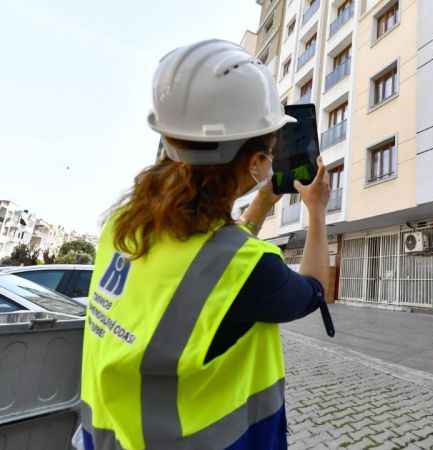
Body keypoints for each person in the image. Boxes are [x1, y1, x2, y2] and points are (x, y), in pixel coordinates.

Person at [78, 39, 333, 450]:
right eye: (269, 151)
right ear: (255, 165)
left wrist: (261, 204)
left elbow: (210, 260)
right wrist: (318, 210)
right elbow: (315, 290)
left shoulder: (120, 229)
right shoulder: (249, 268)